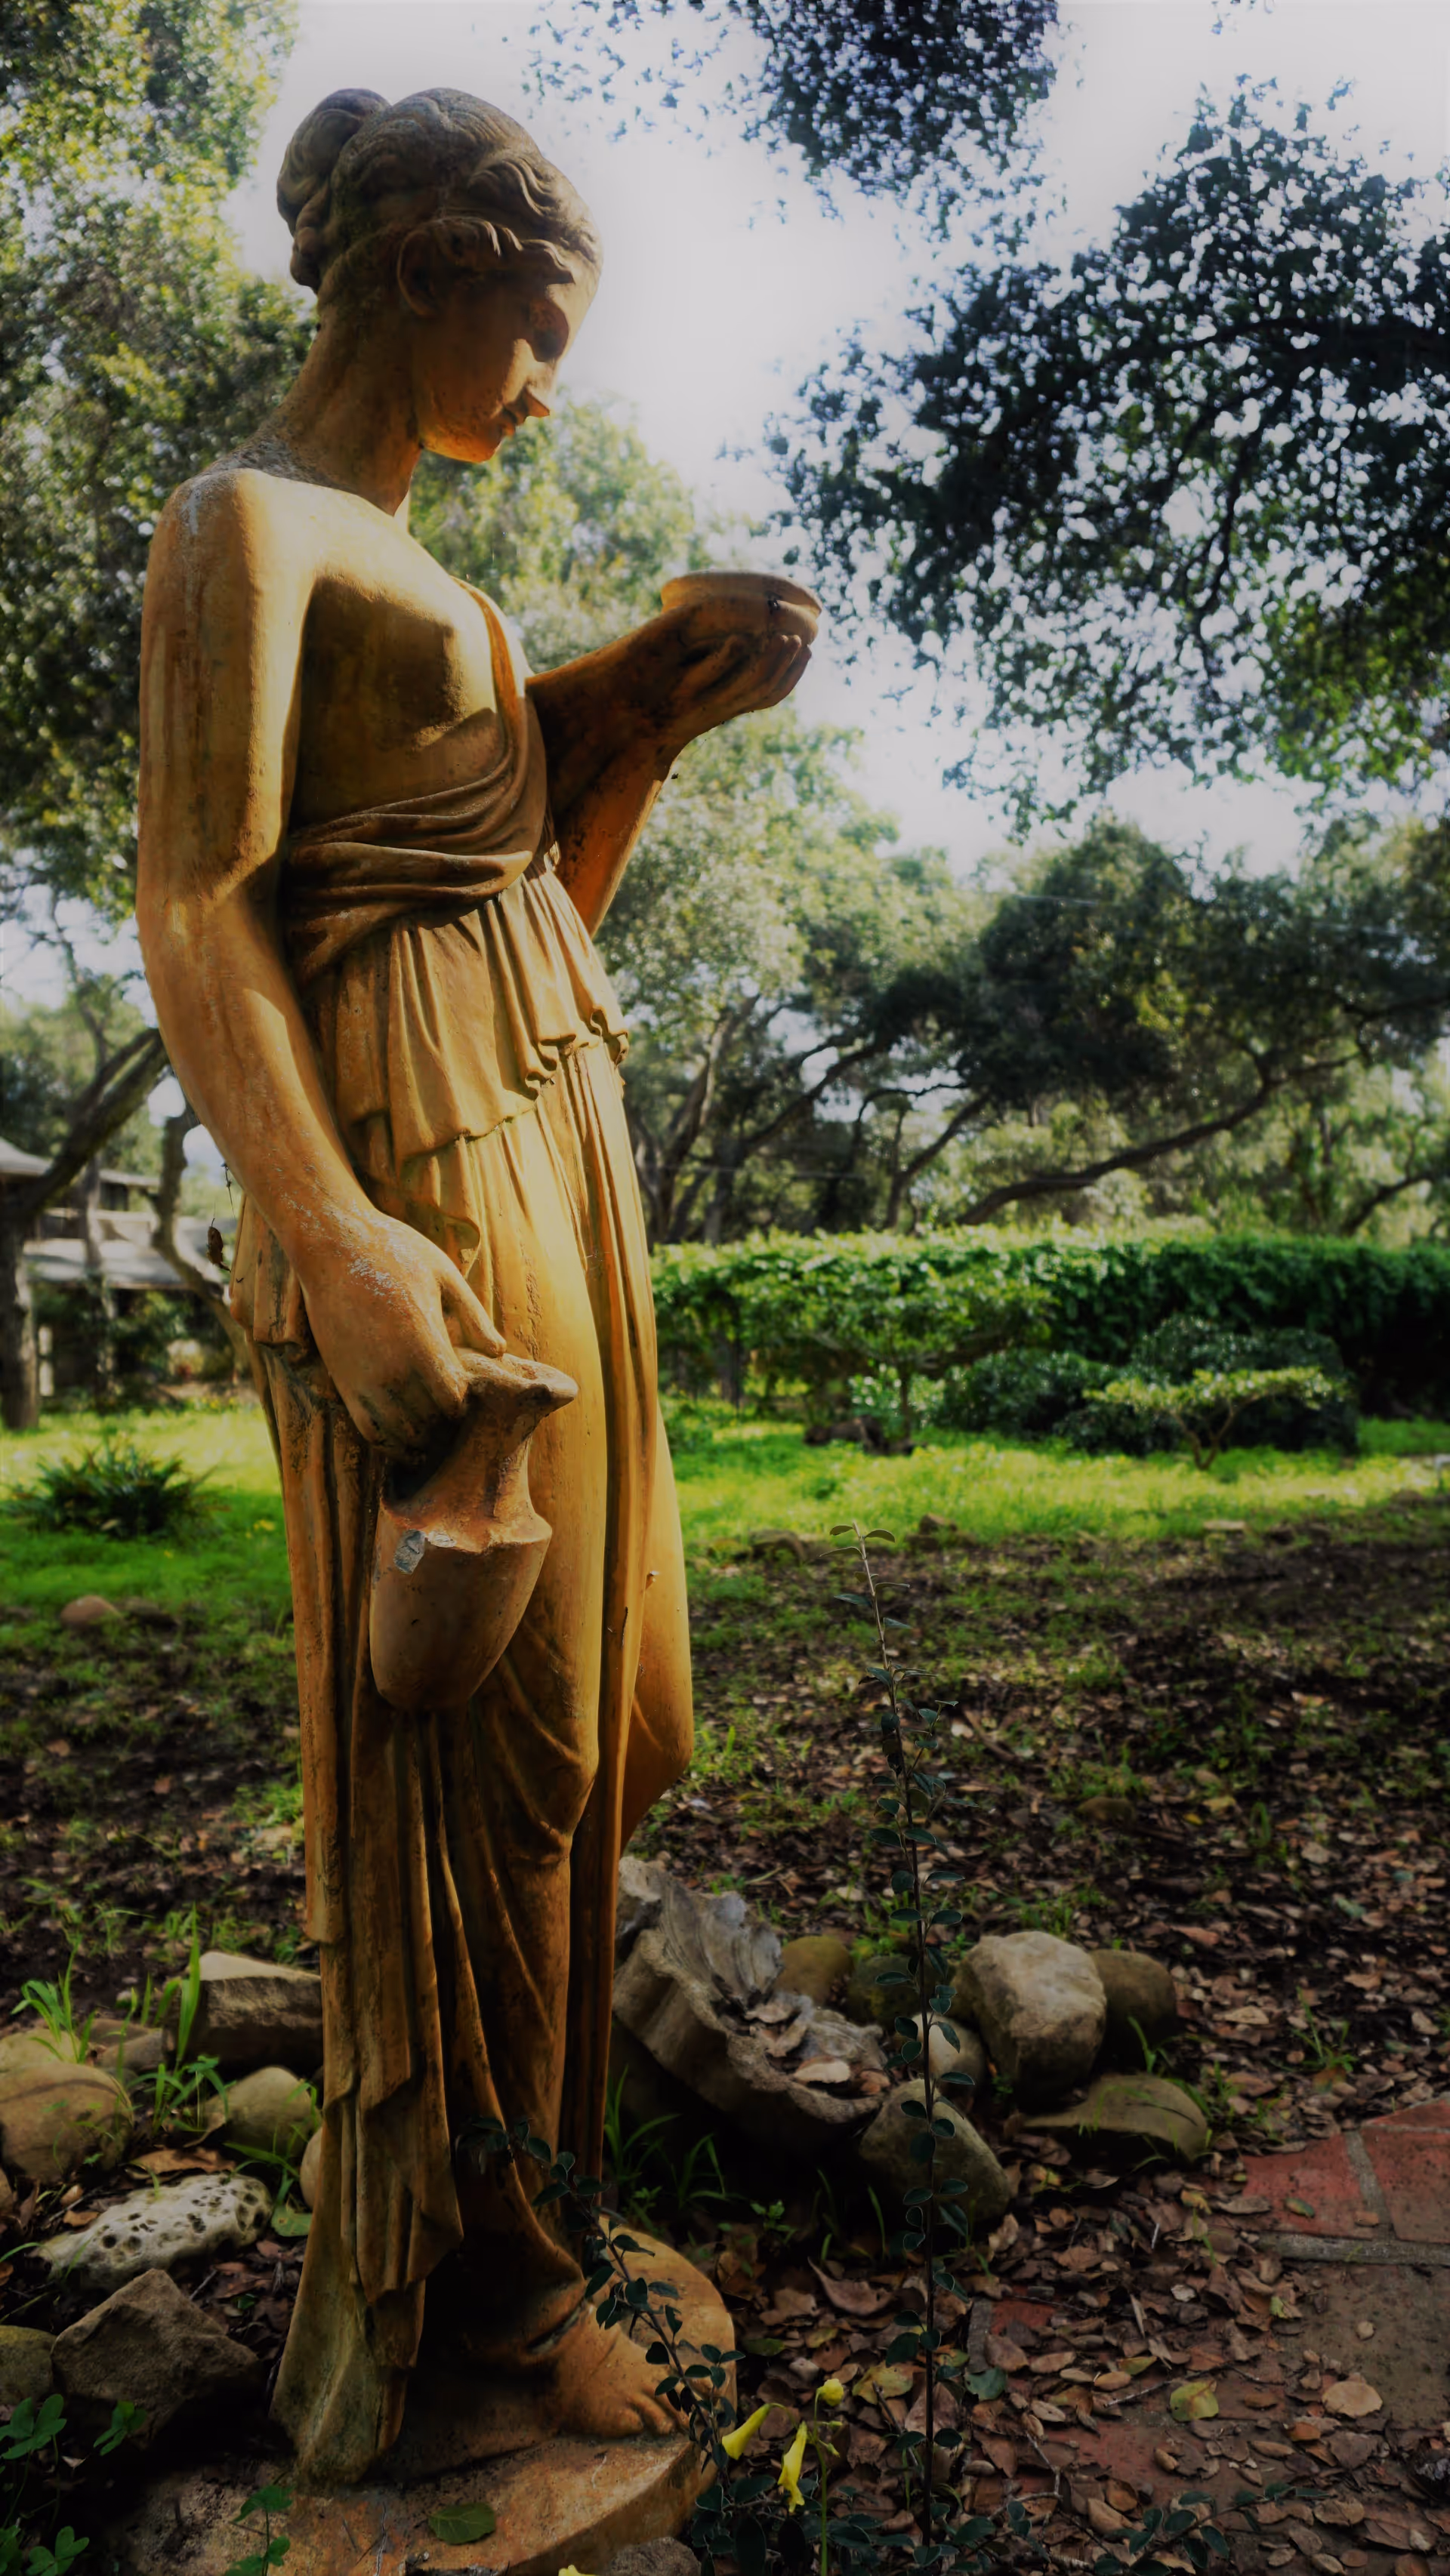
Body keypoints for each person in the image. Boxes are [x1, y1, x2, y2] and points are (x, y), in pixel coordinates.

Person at [136, 85, 810, 2484]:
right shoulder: (251, 523)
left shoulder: (458, 589)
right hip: (406, 1149)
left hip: (537, 1118)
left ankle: (538, 2228)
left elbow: (533, 901)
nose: (547, 384)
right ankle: (486, 2289)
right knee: (475, 1724)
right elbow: (202, 902)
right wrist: (323, 1226)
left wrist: (645, 697)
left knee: (563, 1715)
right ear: (427, 263)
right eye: (534, 329)